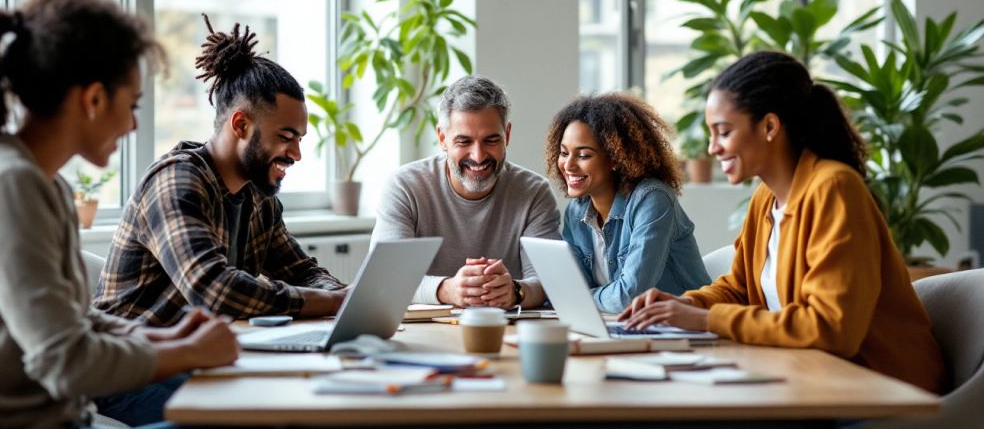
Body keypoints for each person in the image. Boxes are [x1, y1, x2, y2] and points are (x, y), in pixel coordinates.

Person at [0, 0, 239, 428]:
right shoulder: (8, 185)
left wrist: (160, 337)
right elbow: (64, 362)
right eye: (132, 104)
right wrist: (184, 352)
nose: (132, 124)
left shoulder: (38, 182)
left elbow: (72, 320)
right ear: (92, 99)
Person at [618, 51, 945, 393]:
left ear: (770, 126)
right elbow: (740, 288)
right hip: (804, 376)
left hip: (877, 386)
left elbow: (832, 329)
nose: (713, 148)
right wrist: (685, 304)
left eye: (724, 132)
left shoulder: (834, 188)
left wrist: (704, 319)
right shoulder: (766, 198)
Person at [94, 15, 347, 327]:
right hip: (136, 363)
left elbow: (301, 271)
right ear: (240, 124)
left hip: (198, 357)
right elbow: (213, 290)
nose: (296, 154)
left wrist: (344, 296)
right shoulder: (175, 182)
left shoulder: (258, 196)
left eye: (299, 140)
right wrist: (331, 301)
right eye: (285, 138)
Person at [371, 75, 560, 308]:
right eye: (464, 142)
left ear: (507, 136)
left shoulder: (534, 193)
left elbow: (547, 282)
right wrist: (447, 290)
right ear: (442, 138)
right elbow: (386, 279)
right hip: (424, 332)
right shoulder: (404, 186)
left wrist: (515, 291)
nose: (478, 156)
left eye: (491, 140)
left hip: (502, 330)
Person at [545, 93, 710, 313]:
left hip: (686, 331)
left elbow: (629, 297)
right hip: (623, 328)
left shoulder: (652, 199)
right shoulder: (577, 211)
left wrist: (579, 299)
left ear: (615, 157)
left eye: (583, 155)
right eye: (564, 153)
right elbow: (574, 288)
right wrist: (576, 297)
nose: (568, 165)